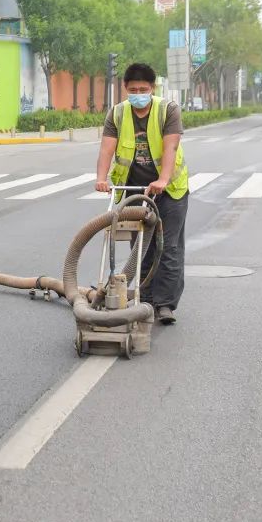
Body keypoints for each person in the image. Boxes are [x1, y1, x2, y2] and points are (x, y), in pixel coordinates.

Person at [94, 63, 189, 325]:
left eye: (143, 89)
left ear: (152, 88)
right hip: (134, 190)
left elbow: (170, 147)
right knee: (140, 248)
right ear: (125, 89)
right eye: (133, 89)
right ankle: (145, 300)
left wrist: (163, 178)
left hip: (170, 190)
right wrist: (101, 178)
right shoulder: (117, 113)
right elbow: (106, 149)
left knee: (167, 247)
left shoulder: (167, 110)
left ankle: (166, 304)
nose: (138, 93)